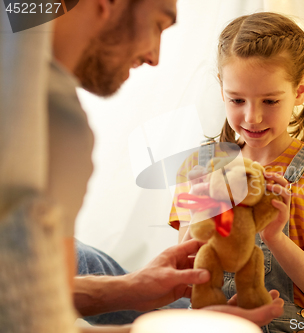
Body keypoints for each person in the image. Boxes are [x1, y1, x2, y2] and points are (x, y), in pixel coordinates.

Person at [1, 0, 284, 332]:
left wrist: (131, 289)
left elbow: (23, 296)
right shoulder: (56, 123)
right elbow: (34, 323)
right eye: (158, 25)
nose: (155, 56)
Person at [169, 12, 304, 333]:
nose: (252, 117)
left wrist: (274, 236)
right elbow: (184, 276)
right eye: (237, 99)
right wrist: (207, 211)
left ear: (299, 92)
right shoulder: (199, 168)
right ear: (221, 90)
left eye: (270, 100)